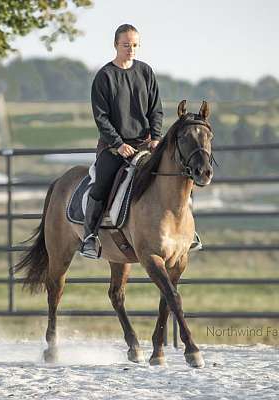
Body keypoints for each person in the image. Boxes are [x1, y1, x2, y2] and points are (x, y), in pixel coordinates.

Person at [80, 23, 163, 259]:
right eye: (126, 45)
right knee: (103, 182)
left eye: (135, 45)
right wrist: (118, 143)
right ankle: (89, 236)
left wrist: (156, 137)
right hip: (114, 148)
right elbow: (101, 117)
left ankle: (185, 232)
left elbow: (156, 109)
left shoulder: (146, 72)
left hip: (145, 145)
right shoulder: (105, 76)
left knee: (174, 175)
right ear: (116, 45)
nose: (131, 49)